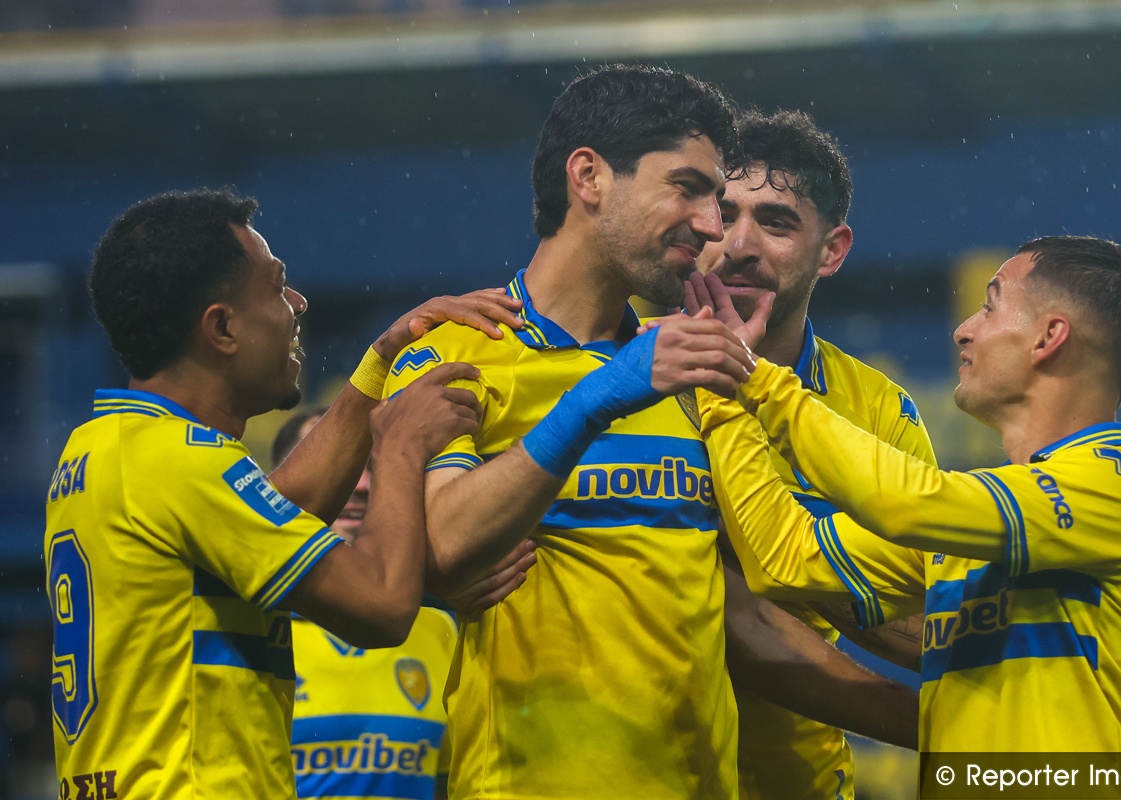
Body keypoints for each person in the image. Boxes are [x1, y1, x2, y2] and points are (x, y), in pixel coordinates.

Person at [384, 64, 919, 800]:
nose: (716, 231)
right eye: (692, 191)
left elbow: (741, 613)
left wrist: (973, 720)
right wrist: (598, 398)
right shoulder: (457, 348)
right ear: (589, 177)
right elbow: (441, 548)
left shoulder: (697, 377)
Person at [44, 187, 526, 800]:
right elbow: (380, 606)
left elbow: (279, 515)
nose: (298, 303)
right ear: (222, 328)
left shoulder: (102, 447)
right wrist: (400, 448)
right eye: (276, 288)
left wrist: (381, 363)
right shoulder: (183, 461)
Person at [692, 235, 1121, 760]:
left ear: (1049, 337)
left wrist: (759, 381)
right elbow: (786, 557)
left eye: (989, 307)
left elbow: (904, 501)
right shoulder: (978, 519)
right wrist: (724, 394)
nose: (963, 329)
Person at [694, 109, 933, 800]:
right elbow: (729, 616)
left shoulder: (879, 409)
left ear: (832, 251)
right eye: (722, 214)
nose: (738, 245)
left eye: (775, 222)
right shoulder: (616, 370)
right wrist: (963, 732)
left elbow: (891, 609)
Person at [272, 409, 537, 800]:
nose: (362, 485)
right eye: (342, 469)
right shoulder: (260, 628)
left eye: (372, 467)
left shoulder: (439, 628)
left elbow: (450, 781)